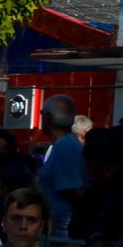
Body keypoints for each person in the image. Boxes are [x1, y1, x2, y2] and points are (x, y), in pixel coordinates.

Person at [39, 94, 87, 237]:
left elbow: (78, 192)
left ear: (48, 117)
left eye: (41, 114)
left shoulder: (64, 146)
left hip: (65, 235)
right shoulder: (66, 143)